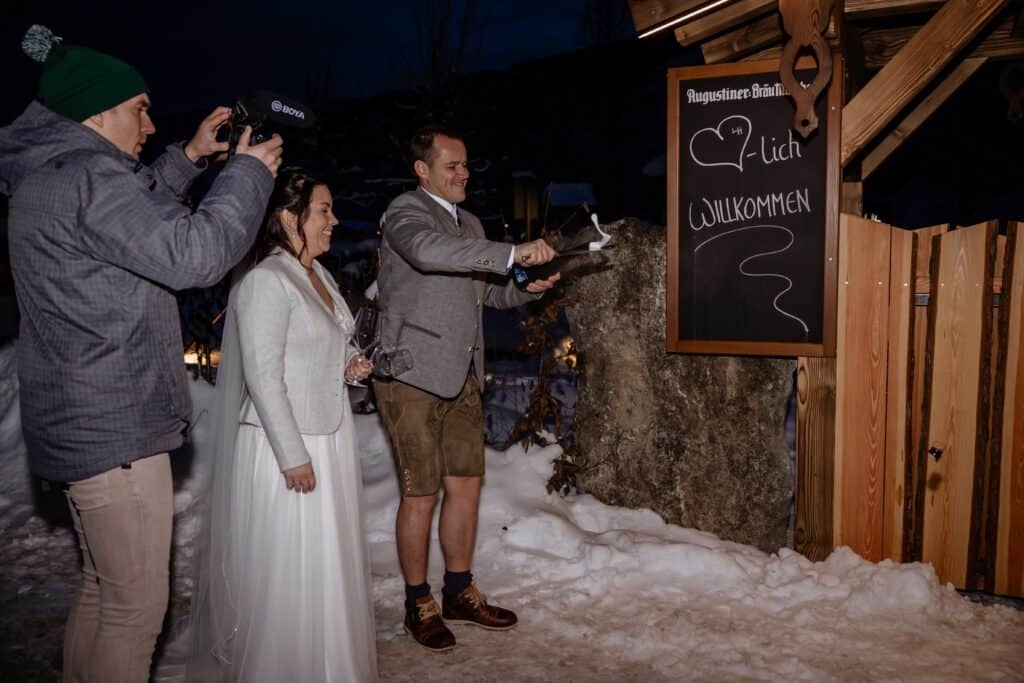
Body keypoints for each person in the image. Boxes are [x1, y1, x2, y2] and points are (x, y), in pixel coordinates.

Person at [0, 25, 283, 682]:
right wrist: (245, 170)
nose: (151, 123)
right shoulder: (90, 178)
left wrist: (189, 156)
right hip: (116, 423)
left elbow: (126, 222)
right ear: (96, 113)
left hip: (81, 420)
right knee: (134, 606)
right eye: (139, 108)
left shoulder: (53, 176)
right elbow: (195, 253)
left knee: (103, 589)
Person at [188, 168, 378, 682]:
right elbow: (264, 376)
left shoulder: (321, 275)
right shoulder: (265, 282)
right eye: (324, 210)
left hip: (330, 437)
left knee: (327, 566)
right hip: (285, 447)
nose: (334, 220)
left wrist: (350, 364)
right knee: (291, 570)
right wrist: (293, 455)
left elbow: (323, 344)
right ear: (288, 218)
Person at [375, 125, 559, 652]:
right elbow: (431, 253)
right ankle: (419, 603)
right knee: (421, 494)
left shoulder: (472, 223)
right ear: (423, 170)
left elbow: (487, 296)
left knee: (466, 487)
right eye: (452, 165)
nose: (463, 174)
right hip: (410, 375)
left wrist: (525, 285)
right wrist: (511, 253)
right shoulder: (404, 213)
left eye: (465, 165)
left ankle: (459, 591)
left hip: (464, 375)